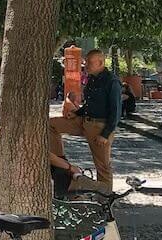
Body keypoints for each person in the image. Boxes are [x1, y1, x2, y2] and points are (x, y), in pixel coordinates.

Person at [49, 49, 122, 190]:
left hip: (99, 126)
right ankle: (60, 162)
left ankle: (105, 198)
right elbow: (90, 104)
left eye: (89, 62)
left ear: (100, 62)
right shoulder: (92, 78)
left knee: (103, 167)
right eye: (86, 61)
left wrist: (105, 134)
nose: (86, 65)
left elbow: (116, 111)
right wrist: (77, 113)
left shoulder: (111, 81)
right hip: (84, 120)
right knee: (51, 125)